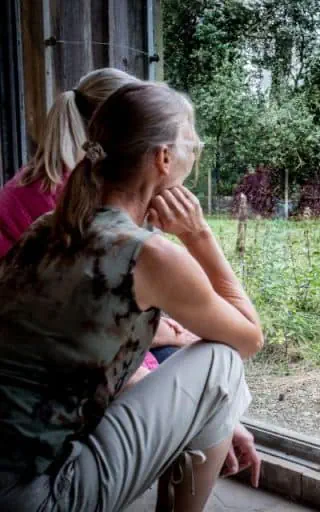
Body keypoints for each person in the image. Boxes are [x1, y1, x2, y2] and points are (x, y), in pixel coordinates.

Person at [0, 81, 264, 511]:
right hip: (36, 495)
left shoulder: (47, 227)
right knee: (222, 364)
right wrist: (200, 237)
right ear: (164, 158)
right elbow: (249, 338)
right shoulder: (150, 254)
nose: (194, 158)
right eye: (191, 146)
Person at [0, 68, 197, 370]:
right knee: (198, 365)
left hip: (40, 338)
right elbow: (86, 313)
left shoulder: (49, 179)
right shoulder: (76, 196)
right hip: (44, 354)